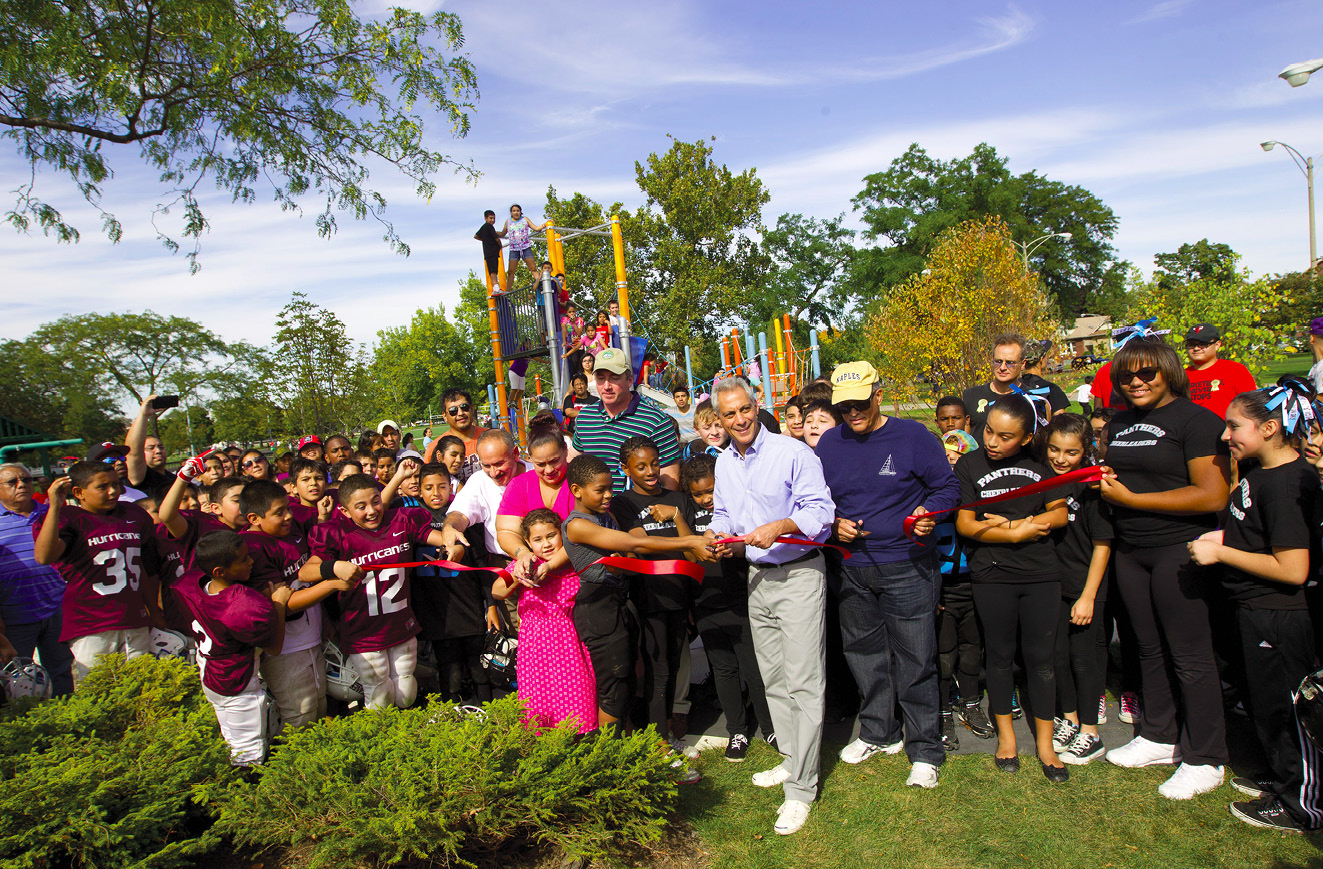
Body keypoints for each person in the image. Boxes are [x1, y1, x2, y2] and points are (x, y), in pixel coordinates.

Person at [815, 361, 960, 789]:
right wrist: (833, 522)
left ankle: (926, 750)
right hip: (852, 567)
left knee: (915, 658)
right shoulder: (828, 444)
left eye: (860, 403)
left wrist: (928, 513)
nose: (853, 413)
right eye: (844, 407)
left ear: (879, 394)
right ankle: (880, 732)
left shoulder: (913, 436)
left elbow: (947, 488)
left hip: (908, 566)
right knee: (864, 655)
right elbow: (817, 501)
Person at [1098, 337, 1231, 799]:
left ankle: (1206, 757)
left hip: (1181, 549)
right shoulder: (1119, 421)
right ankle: (1159, 735)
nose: (1135, 383)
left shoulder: (1197, 421)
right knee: (1147, 647)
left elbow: (1214, 494)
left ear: (1168, 372)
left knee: (1190, 655)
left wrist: (1135, 500)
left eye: (1146, 374)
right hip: (1131, 550)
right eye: (1125, 376)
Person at [1188, 384, 1322, 832]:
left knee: (1289, 709)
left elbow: (1292, 568)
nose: (1225, 436)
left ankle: (1303, 804)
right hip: (1253, 610)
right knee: (1265, 704)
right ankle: (1286, 778)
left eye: (1234, 426)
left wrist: (1222, 554)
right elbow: (1261, 536)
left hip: (1279, 614)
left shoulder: (1286, 486)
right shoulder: (1258, 472)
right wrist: (1226, 539)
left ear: (1268, 428)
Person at [706, 377, 835, 836]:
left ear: (757, 406)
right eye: (729, 414)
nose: (739, 420)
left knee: (803, 679)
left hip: (799, 572)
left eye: (745, 410)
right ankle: (791, 760)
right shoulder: (723, 463)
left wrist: (780, 524)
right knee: (775, 678)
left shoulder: (793, 453)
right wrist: (716, 536)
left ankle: (801, 788)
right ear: (718, 420)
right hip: (757, 576)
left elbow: (822, 513)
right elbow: (724, 513)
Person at [955, 393, 1070, 782]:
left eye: (1005, 437)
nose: (992, 442)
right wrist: (1014, 531)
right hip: (993, 574)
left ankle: (1045, 743)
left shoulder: (1043, 463)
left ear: (1025, 438)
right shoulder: (970, 464)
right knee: (999, 656)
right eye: (989, 431)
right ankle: (1006, 738)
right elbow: (967, 525)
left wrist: (1015, 526)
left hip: (1041, 575)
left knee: (1041, 660)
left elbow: (1059, 513)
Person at [559, 454, 712, 741]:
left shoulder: (606, 516)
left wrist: (624, 558)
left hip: (620, 604)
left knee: (628, 682)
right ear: (577, 490)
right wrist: (690, 541)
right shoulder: (577, 524)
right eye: (600, 490)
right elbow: (635, 542)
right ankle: (608, 757)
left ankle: (627, 749)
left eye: (610, 488)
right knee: (613, 689)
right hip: (599, 608)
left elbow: (628, 551)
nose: (608, 495)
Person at [306, 474, 456, 709]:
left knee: (406, 691)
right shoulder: (336, 533)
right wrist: (334, 566)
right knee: (378, 693)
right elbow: (306, 572)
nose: (372, 510)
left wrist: (451, 546)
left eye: (376, 501)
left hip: (401, 624)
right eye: (360, 506)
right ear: (345, 512)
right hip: (364, 631)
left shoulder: (401, 520)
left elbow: (438, 539)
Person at [32, 462, 162, 682]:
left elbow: (144, 567)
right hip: (92, 624)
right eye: (102, 487)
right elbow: (45, 556)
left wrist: (154, 611)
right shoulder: (68, 517)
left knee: (144, 689)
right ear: (79, 493)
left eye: (116, 484)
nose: (113, 491)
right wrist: (54, 507)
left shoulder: (133, 513)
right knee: (100, 690)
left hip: (135, 619)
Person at [680, 453, 773, 761]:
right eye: (699, 493)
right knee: (723, 669)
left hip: (741, 600)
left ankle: (771, 726)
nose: (706, 498)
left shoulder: (735, 505)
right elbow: (685, 555)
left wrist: (736, 547)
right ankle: (737, 730)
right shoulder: (686, 514)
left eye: (711, 490)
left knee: (753, 667)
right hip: (706, 603)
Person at [174, 530, 292, 767]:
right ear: (220, 571)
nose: (251, 562)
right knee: (249, 753)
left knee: (232, 742)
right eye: (243, 559)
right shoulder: (242, 604)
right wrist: (278, 604)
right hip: (235, 681)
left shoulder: (190, 584)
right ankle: (246, 797)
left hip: (208, 669)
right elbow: (275, 646)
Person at [611, 436, 694, 755]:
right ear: (626, 469)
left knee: (672, 666)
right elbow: (639, 545)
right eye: (641, 466)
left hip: (678, 594)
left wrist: (675, 516)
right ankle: (657, 741)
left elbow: (692, 549)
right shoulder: (623, 503)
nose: (650, 471)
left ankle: (665, 734)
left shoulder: (677, 498)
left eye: (655, 463)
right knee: (656, 669)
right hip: (647, 598)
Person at [240, 480, 345, 731]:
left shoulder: (291, 532)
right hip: (286, 646)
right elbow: (283, 603)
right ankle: (293, 768)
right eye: (279, 512)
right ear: (254, 518)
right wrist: (331, 585)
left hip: (311, 636)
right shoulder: (252, 548)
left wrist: (325, 621)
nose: (288, 515)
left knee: (319, 705)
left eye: (288, 507)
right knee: (299, 714)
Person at [1039, 414, 1114, 766]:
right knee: (1058, 657)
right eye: (1054, 449)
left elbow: (1103, 545)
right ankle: (1068, 719)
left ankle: (1091, 732)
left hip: (1086, 587)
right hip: (1054, 584)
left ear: (1085, 452)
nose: (1060, 458)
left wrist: (1088, 595)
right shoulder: (1043, 479)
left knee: (1084, 660)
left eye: (1070, 452)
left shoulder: (1091, 488)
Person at [490, 508, 597, 733]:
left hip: (569, 645)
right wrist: (517, 578)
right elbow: (497, 592)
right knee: (539, 706)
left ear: (562, 534)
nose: (546, 544)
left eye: (551, 536)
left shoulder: (572, 563)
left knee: (576, 698)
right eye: (538, 540)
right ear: (528, 543)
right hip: (534, 649)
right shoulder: (526, 564)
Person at [410, 463, 491, 704]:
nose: (436, 493)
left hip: (468, 605)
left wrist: (492, 605)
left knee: (478, 666)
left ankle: (492, 716)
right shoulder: (411, 518)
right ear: (419, 490)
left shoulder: (462, 517)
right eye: (429, 487)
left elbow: (481, 564)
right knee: (449, 668)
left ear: (451, 486)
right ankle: (453, 721)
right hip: (436, 610)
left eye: (442, 486)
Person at [933, 430, 989, 748]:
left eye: (959, 461)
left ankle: (970, 703)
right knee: (943, 653)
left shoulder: (979, 496)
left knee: (972, 649)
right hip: (943, 586)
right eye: (947, 461)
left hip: (975, 582)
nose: (952, 467)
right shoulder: (931, 497)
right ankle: (942, 711)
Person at [0, 463, 75, 694]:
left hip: (55, 607)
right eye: (12, 482)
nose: (21, 484)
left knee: (61, 669)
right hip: (14, 613)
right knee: (18, 679)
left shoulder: (50, 513)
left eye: (26, 480)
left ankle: (69, 717)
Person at [571, 348, 682, 492]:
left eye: (614, 378)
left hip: (639, 512)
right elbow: (572, 461)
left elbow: (670, 482)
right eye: (600, 378)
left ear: (629, 380)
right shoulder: (585, 417)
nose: (606, 386)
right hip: (593, 512)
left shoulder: (657, 422)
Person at [963, 333, 1066, 435]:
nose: (1002, 367)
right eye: (998, 361)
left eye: (1010, 362)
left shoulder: (1034, 400)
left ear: (1023, 364)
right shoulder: (971, 396)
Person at [1183, 323, 1256, 418]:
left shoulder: (1235, 370)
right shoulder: (1182, 375)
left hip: (1227, 430)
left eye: (1203, 344)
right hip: (1191, 431)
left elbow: (1251, 406)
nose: (1196, 348)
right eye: (1191, 344)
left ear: (1217, 345)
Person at [423, 390, 487, 482]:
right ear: (444, 416)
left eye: (464, 407)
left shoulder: (493, 438)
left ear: (472, 409)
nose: (460, 413)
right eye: (453, 411)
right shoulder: (435, 447)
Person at [125, 395, 173, 495]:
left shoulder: (173, 478)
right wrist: (143, 415)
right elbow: (133, 451)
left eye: (161, 447)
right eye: (151, 448)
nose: (158, 451)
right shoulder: (140, 477)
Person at [497, 204, 548, 286]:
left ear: (520, 212)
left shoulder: (525, 219)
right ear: (511, 212)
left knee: (533, 268)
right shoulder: (508, 221)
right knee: (511, 271)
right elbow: (503, 233)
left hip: (525, 247)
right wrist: (493, 232)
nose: (516, 212)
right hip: (514, 249)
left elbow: (535, 228)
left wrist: (544, 225)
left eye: (518, 210)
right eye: (514, 211)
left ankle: (542, 286)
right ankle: (507, 292)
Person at [475, 209, 502, 289]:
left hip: (487, 252)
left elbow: (476, 236)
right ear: (486, 218)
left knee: (491, 270)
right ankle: (496, 287)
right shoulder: (489, 227)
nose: (492, 220)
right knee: (494, 271)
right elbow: (497, 238)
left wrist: (485, 239)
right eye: (490, 218)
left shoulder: (483, 228)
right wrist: (500, 245)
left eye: (494, 218)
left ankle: (495, 287)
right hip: (493, 252)